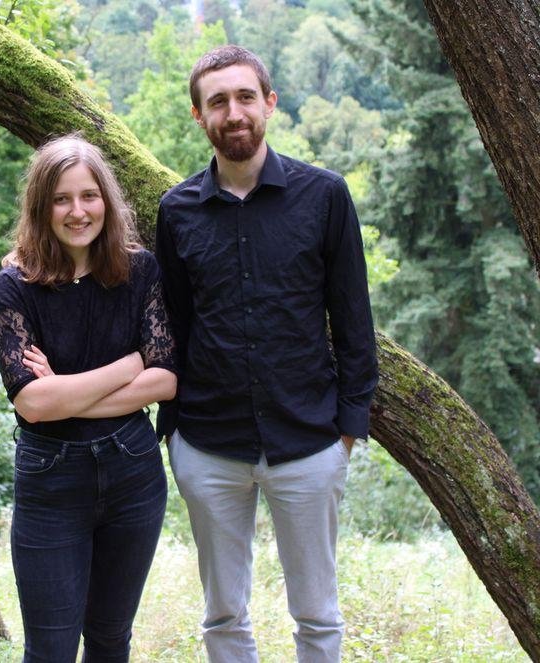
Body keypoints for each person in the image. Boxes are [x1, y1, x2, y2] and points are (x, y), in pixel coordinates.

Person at [154, 45, 378, 662]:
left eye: (245, 97)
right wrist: (172, 433)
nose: (234, 112)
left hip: (309, 441)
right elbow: (172, 325)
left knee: (318, 616)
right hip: (207, 445)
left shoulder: (325, 196)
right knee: (223, 615)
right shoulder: (176, 211)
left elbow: (354, 321)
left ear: (270, 103)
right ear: (199, 116)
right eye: (217, 101)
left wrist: (347, 434)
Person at [0, 134, 178, 662]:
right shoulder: (14, 285)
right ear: (41, 206)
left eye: (89, 195)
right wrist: (129, 364)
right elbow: (31, 404)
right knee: (49, 649)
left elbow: (165, 380)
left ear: (107, 200)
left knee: (109, 640)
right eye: (61, 199)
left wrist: (65, 392)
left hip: (133, 474)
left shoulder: (140, 270)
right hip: (51, 481)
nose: (78, 211)